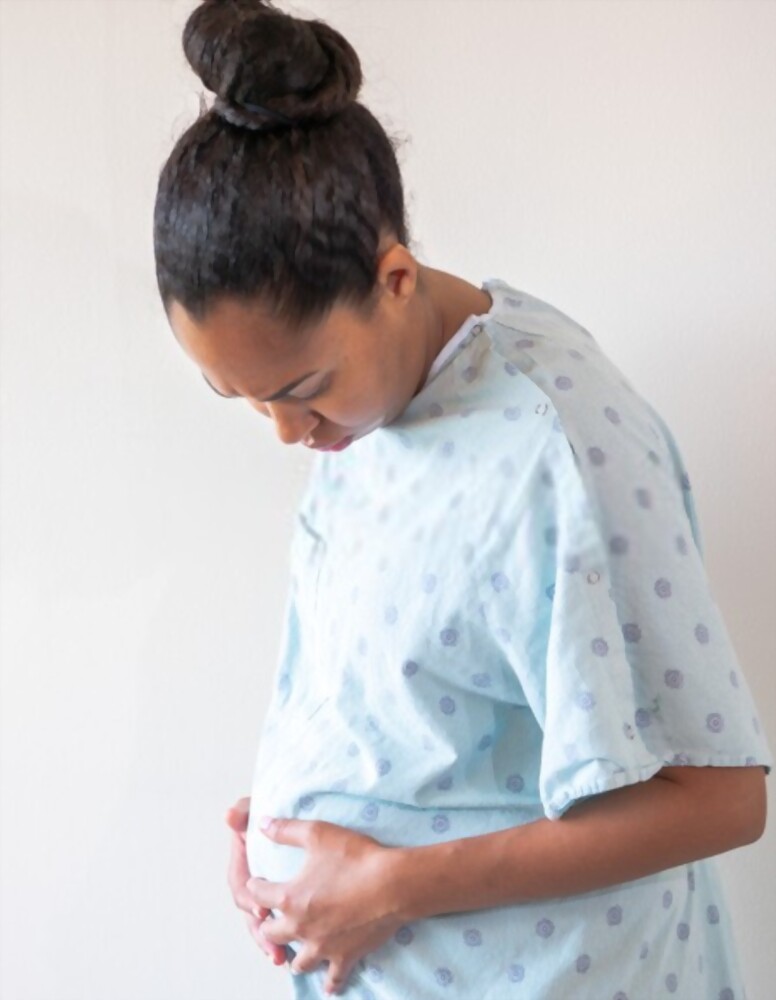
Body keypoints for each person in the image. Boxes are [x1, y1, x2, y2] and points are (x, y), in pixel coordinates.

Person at [153, 2, 772, 998]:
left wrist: (389, 884)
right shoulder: (374, 402)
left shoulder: (557, 443)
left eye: (300, 389)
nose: (284, 433)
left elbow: (719, 797)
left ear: (392, 278)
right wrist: (285, 836)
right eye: (244, 398)